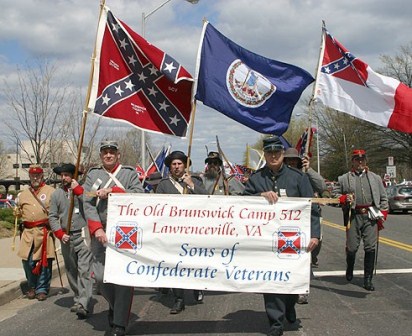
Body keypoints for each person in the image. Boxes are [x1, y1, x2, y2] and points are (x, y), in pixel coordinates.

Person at [243, 136, 321, 336]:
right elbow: (241, 205)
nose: (274, 156)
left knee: (292, 280)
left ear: (283, 154)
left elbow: (312, 208)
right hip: (266, 241)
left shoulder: (298, 178)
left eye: (277, 152)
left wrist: (314, 235)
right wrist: (259, 196)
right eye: (270, 152)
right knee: (272, 281)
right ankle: (275, 323)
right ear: (265, 154)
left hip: (293, 239)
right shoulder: (256, 179)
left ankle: (290, 305)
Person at [83, 141, 144, 336]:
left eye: (111, 152)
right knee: (100, 277)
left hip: (125, 233)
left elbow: (139, 195)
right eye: (105, 153)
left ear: (118, 155)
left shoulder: (128, 174)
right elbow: (87, 202)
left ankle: (119, 323)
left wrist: (112, 192)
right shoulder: (94, 175)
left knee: (123, 278)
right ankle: (115, 305)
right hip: (101, 232)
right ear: (101, 155)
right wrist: (96, 229)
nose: (108, 155)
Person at [156, 150, 208, 314]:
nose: (177, 167)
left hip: (194, 231)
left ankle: (197, 287)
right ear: (170, 167)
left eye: (179, 163)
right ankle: (179, 299)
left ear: (185, 165)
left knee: (194, 263)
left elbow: (208, 200)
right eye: (174, 164)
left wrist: (191, 185)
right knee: (174, 266)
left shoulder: (196, 181)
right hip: (173, 233)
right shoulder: (164, 185)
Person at [338, 149, 388, 291]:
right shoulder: (344, 178)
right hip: (354, 215)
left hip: (371, 215)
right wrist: (343, 198)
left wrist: (382, 214)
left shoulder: (375, 178)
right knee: (352, 247)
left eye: (362, 160)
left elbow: (383, 198)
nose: (360, 162)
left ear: (365, 161)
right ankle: (350, 267)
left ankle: (368, 279)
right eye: (357, 160)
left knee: (370, 247)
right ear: (352, 161)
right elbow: (334, 194)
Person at [283, 147, 328, 305]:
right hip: (286, 224)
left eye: (294, 160)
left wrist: (309, 170)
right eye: (288, 160)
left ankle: (302, 290)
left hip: (306, 221)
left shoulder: (306, 175)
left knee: (306, 256)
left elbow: (322, 187)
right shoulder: (282, 176)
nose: (291, 162)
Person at [49, 163, 93, 319]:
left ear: (74, 176)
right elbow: (52, 216)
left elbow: (91, 203)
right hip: (66, 237)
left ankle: (84, 303)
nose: (64, 178)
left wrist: (79, 192)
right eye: (62, 175)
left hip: (83, 234)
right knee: (71, 269)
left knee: (85, 269)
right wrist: (60, 234)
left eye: (67, 175)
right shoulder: (56, 195)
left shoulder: (84, 190)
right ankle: (77, 296)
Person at [14, 164, 55, 301]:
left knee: (44, 261)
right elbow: (19, 212)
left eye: (38, 175)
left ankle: (42, 288)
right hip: (28, 233)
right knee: (27, 261)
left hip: (43, 232)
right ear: (30, 176)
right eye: (33, 175)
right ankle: (32, 286)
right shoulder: (23, 194)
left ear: (42, 175)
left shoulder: (51, 191)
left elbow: (57, 212)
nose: (35, 177)